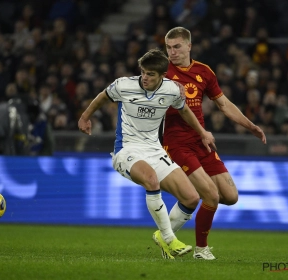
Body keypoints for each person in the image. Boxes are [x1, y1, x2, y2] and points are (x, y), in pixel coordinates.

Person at [78, 49, 216, 259]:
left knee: (191, 198)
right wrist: (85, 117)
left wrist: (202, 132)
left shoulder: (171, 90)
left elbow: (184, 110)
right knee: (151, 180)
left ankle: (162, 236)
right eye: (143, 72)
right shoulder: (124, 85)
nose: (145, 78)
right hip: (127, 149)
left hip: (154, 149)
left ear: (162, 76)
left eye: (151, 74)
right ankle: (170, 239)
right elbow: (102, 97)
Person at [162, 27, 267, 260]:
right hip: (177, 143)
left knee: (230, 196)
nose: (172, 52)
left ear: (189, 46)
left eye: (177, 46)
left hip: (202, 142)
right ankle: (199, 249)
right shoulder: (161, 73)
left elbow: (224, 104)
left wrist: (251, 126)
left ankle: (171, 225)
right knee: (210, 195)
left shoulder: (204, 72)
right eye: (168, 47)